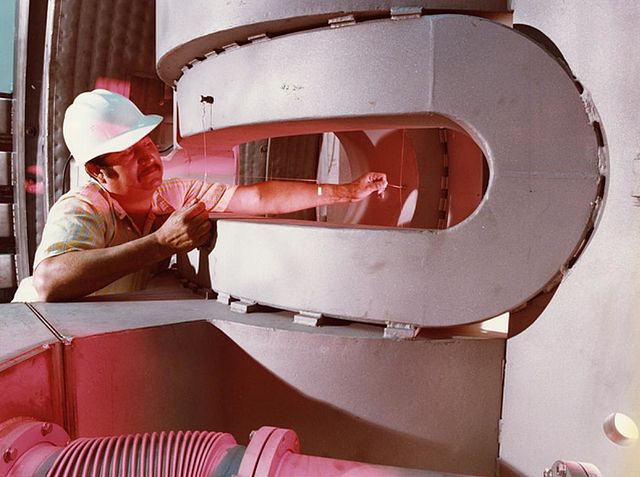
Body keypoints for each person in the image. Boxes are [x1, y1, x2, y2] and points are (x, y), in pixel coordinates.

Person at [13, 89, 388, 302]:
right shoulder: (84, 207)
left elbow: (257, 199)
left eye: (147, 143)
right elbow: (50, 282)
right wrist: (161, 244)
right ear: (98, 171)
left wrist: (347, 192)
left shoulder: (171, 195)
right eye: (128, 151)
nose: (147, 157)